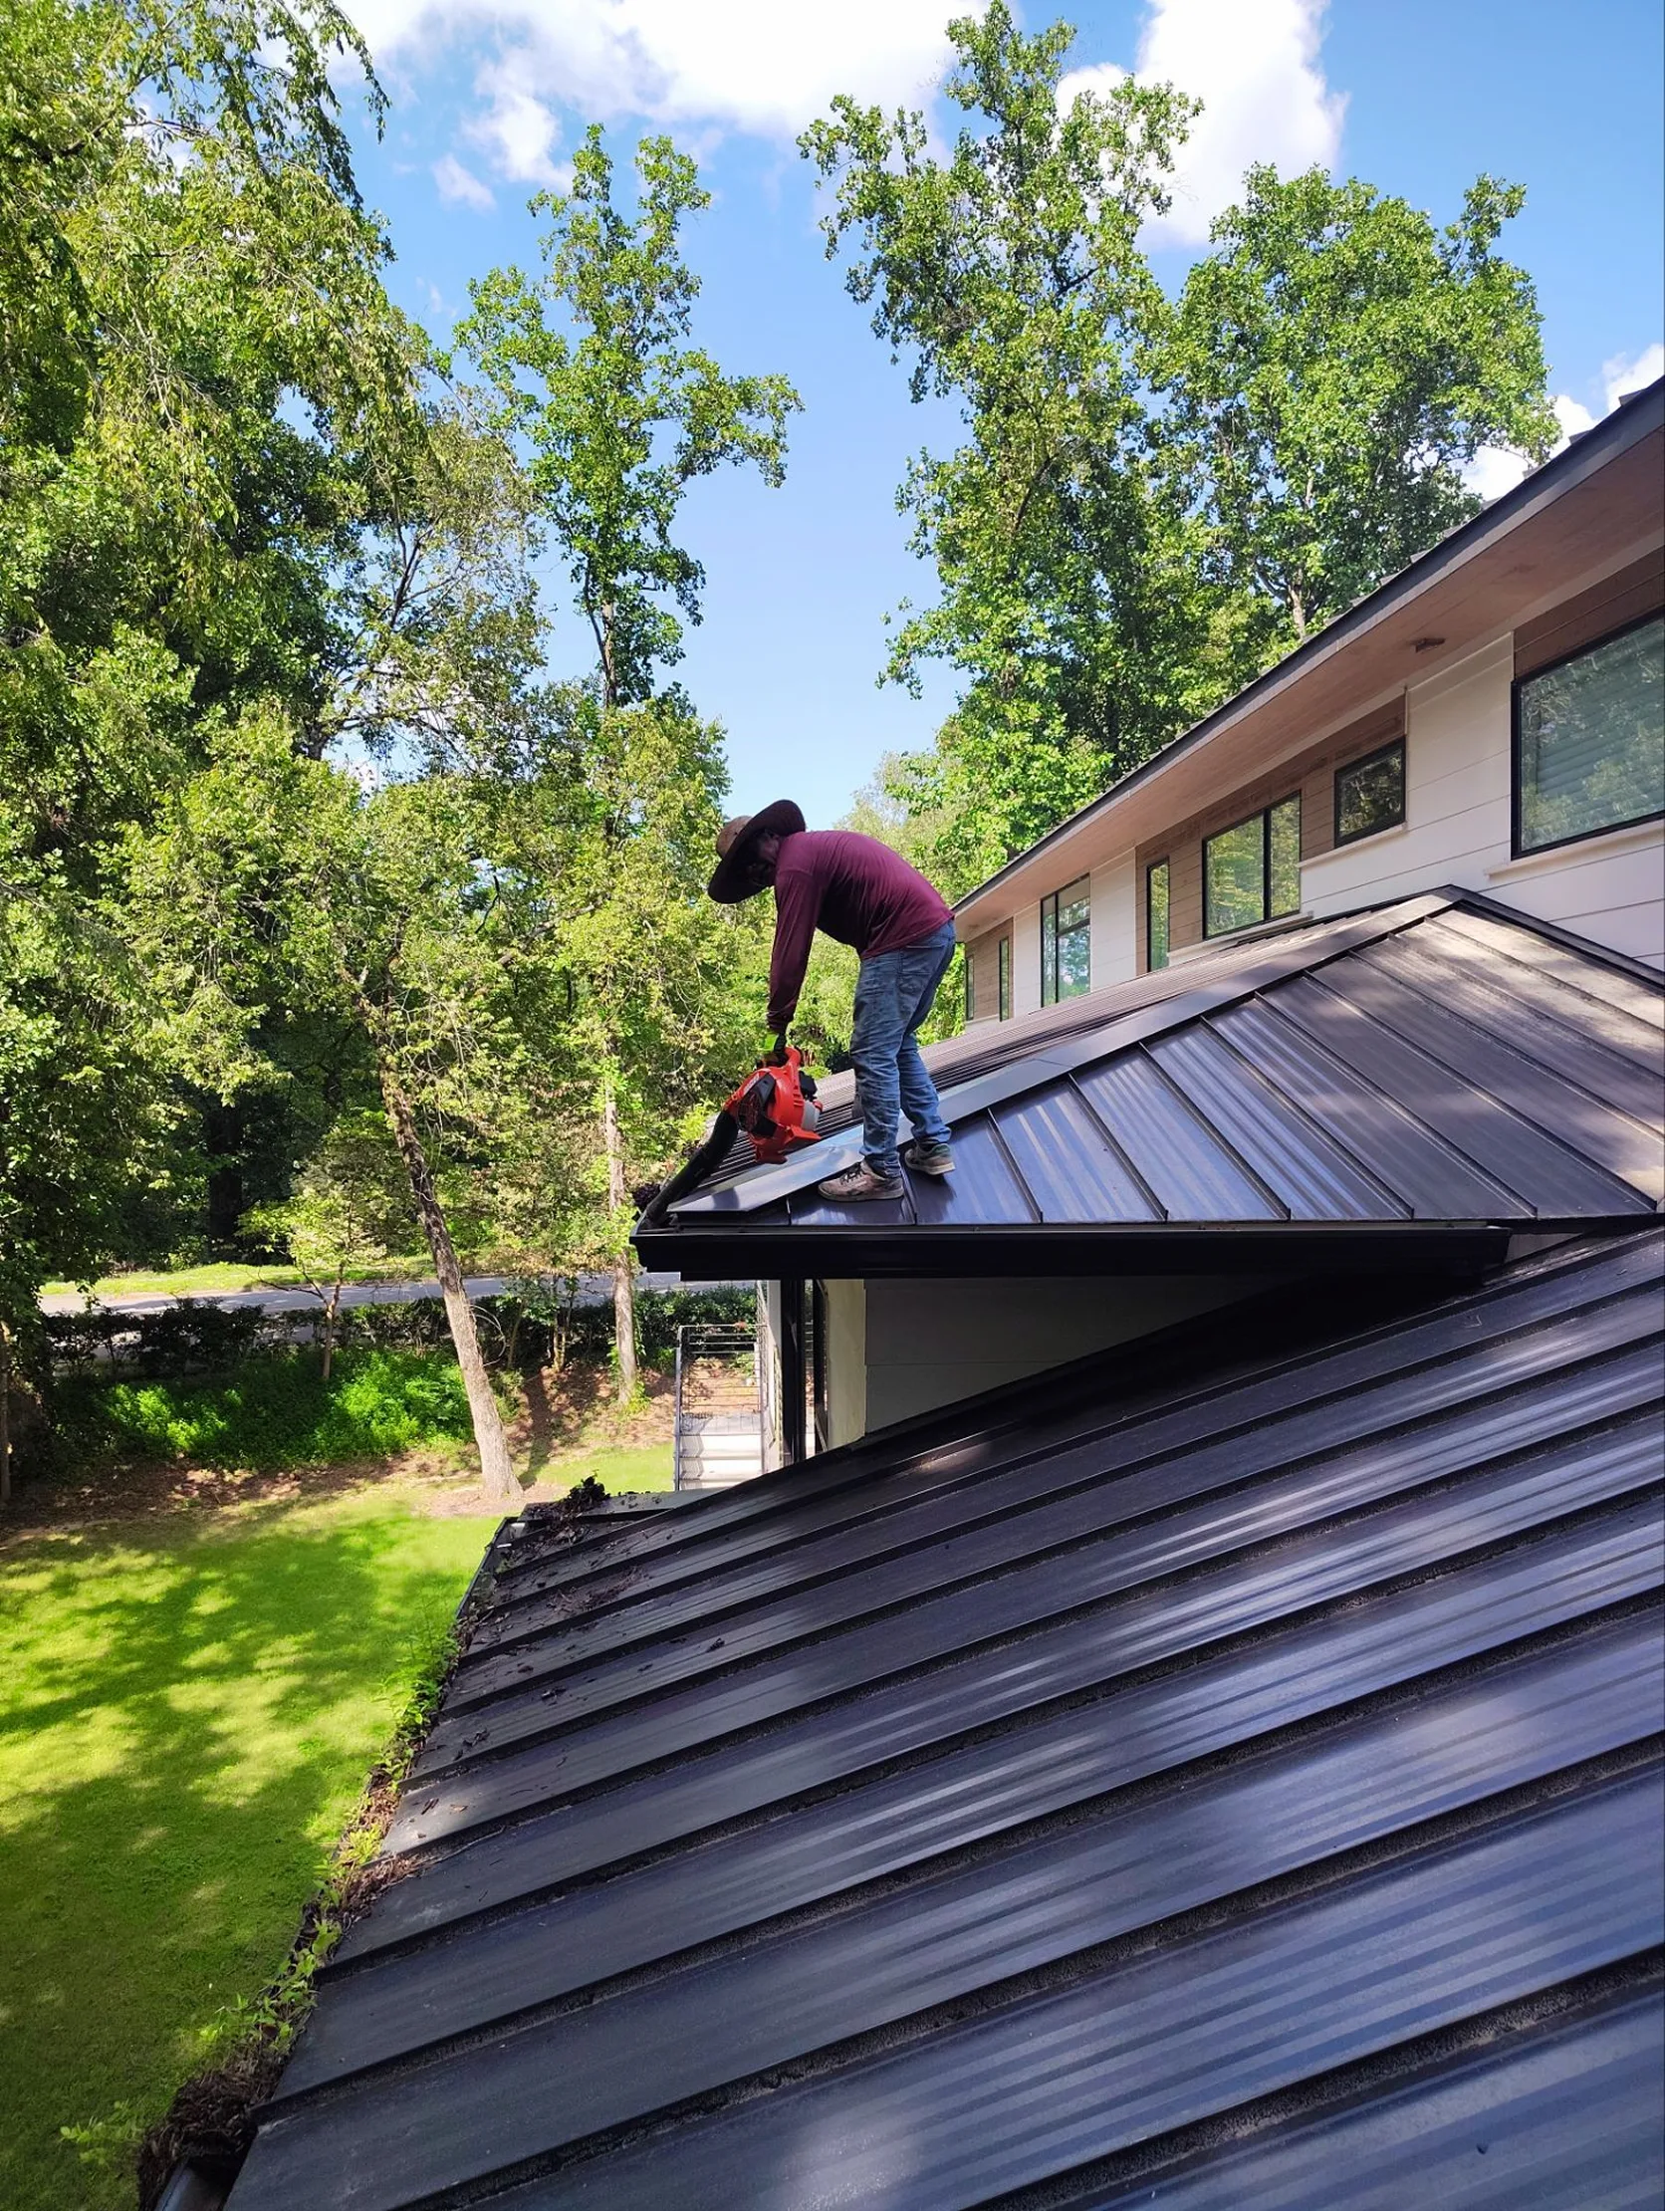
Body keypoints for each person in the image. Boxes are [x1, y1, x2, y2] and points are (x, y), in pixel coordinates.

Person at [708, 801, 958, 1200]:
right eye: (746, 873)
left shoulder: (795, 865)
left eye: (750, 861)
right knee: (897, 1046)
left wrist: (776, 1026)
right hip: (934, 933)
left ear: (770, 837)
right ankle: (931, 1145)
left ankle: (881, 1170)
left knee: (872, 1051)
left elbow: (790, 953)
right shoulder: (809, 855)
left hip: (902, 940)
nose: (755, 875)